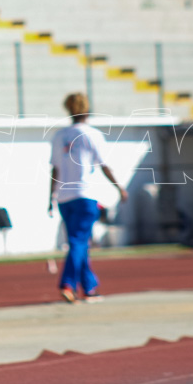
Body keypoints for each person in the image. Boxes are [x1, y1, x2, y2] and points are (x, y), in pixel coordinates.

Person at [47, 93, 127, 304]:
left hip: (64, 197)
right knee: (79, 242)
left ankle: (90, 287)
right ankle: (67, 284)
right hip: (85, 194)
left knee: (78, 243)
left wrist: (51, 197)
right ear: (88, 109)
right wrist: (120, 188)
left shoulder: (59, 136)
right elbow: (104, 165)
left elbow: (55, 170)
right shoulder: (93, 135)